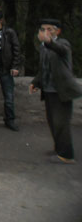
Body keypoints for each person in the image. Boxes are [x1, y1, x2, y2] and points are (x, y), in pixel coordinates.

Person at [29, 19, 81, 164]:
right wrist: (36, 82)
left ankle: (66, 155)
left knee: (61, 123)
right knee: (52, 121)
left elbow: (60, 49)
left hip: (61, 91)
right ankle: (59, 148)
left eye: (49, 29)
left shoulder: (63, 44)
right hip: (49, 90)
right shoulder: (43, 47)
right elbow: (43, 68)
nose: (45, 32)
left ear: (57, 31)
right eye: (43, 29)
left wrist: (49, 41)